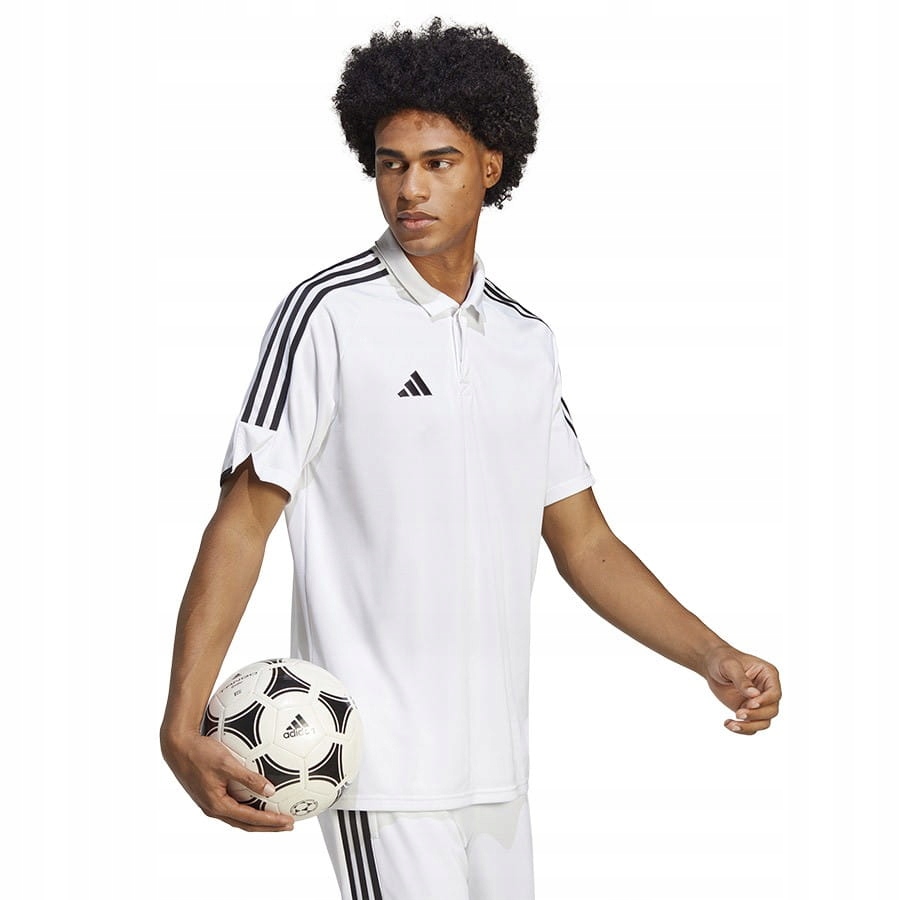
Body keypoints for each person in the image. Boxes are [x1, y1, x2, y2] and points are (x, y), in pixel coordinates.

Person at [160, 18, 781, 900]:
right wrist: (181, 722)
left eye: (438, 162)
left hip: (498, 771)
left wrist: (711, 656)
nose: (409, 188)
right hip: (378, 769)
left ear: (491, 164)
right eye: (390, 164)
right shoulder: (327, 315)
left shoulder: (525, 340)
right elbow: (243, 522)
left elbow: (585, 542)